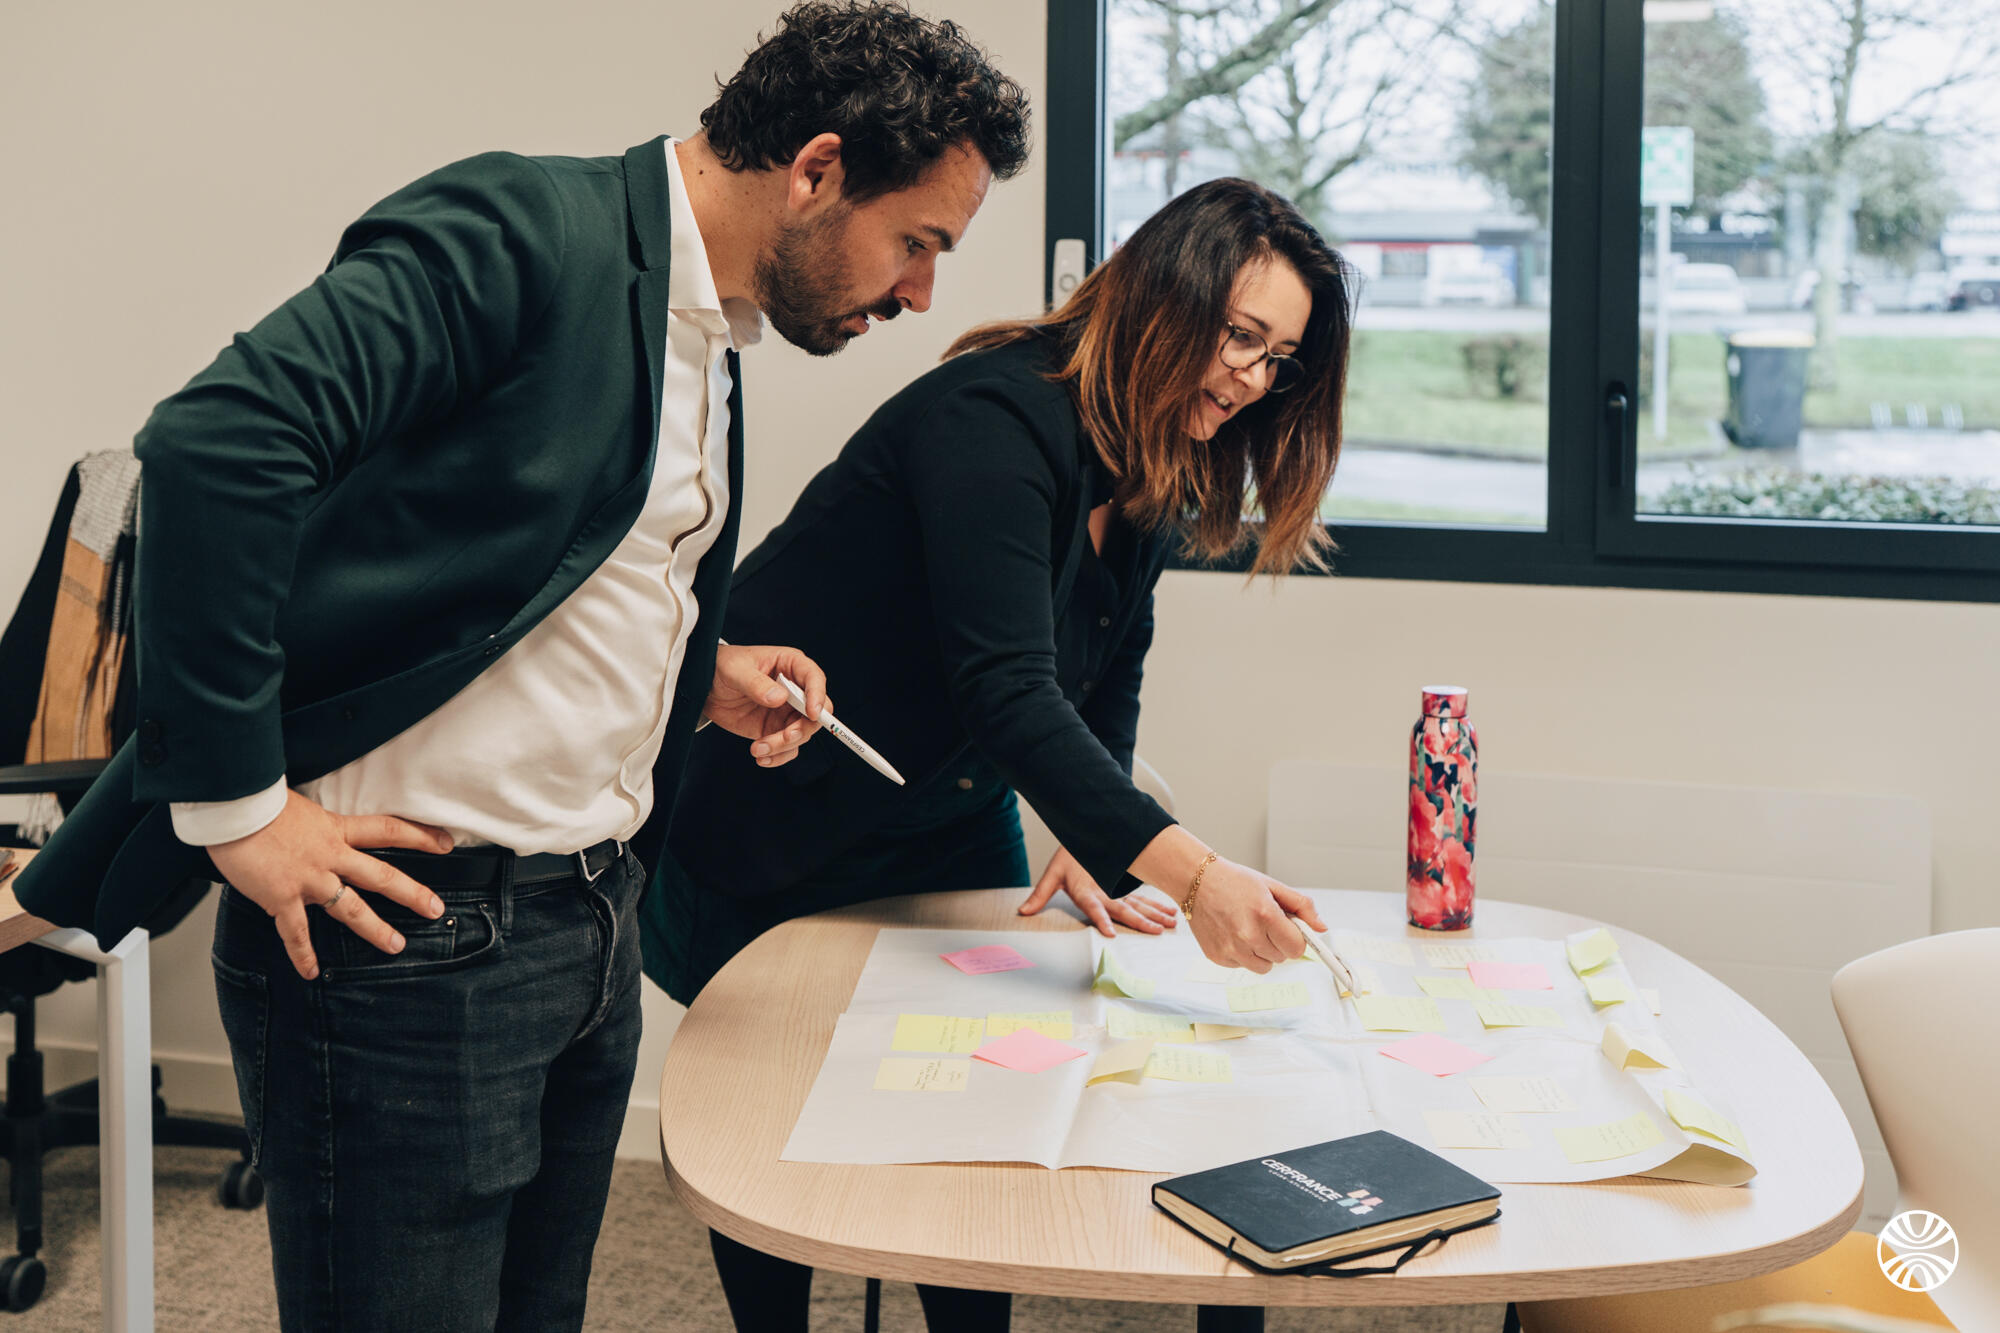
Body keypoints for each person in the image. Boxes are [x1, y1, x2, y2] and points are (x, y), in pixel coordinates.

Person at [12, 5, 1028, 1330]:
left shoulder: (706, 332)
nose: (921, 295)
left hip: (582, 923)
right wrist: (239, 811)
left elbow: (514, 549)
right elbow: (217, 445)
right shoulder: (520, 231)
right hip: (407, 950)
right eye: (919, 244)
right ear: (818, 171)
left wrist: (693, 671)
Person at [650, 175, 1354, 1333]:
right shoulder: (990, 419)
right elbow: (1008, 690)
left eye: (1276, 358)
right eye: (1237, 336)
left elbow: (1103, 670)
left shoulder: (1152, 466)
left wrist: (1092, 830)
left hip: (943, 807)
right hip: (778, 810)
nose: (1249, 378)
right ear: (1157, 296)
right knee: (768, 1146)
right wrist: (1196, 876)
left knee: (966, 1125)